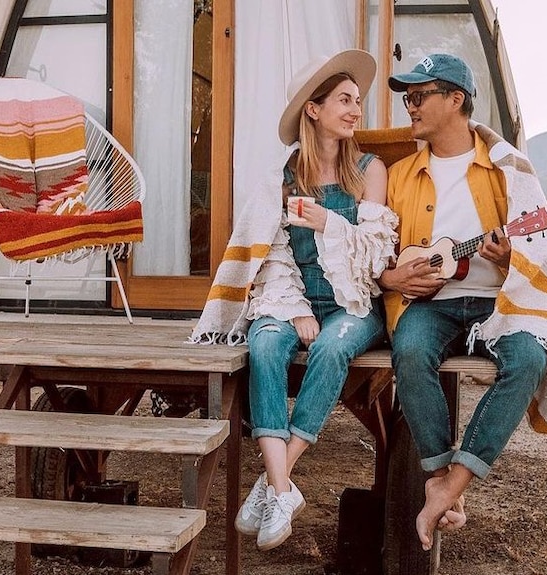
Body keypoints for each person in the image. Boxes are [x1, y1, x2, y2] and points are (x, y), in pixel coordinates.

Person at [377, 54, 547, 551]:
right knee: (409, 351)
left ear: (456, 100)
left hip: (497, 302)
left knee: (526, 359)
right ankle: (437, 473)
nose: (408, 106)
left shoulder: (505, 170)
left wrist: (505, 261)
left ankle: (453, 484)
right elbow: (377, 255)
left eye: (418, 96)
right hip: (432, 304)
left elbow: (541, 251)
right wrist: (395, 277)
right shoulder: (401, 175)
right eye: (406, 97)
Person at [189, 49, 398, 551]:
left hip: (354, 306)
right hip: (294, 301)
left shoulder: (370, 170)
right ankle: (283, 490)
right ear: (314, 109)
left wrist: (328, 221)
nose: (355, 110)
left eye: (357, 101)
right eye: (345, 100)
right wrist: (296, 309)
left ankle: (274, 481)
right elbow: (273, 255)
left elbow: (376, 257)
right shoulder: (282, 178)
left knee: (331, 347)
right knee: (263, 344)